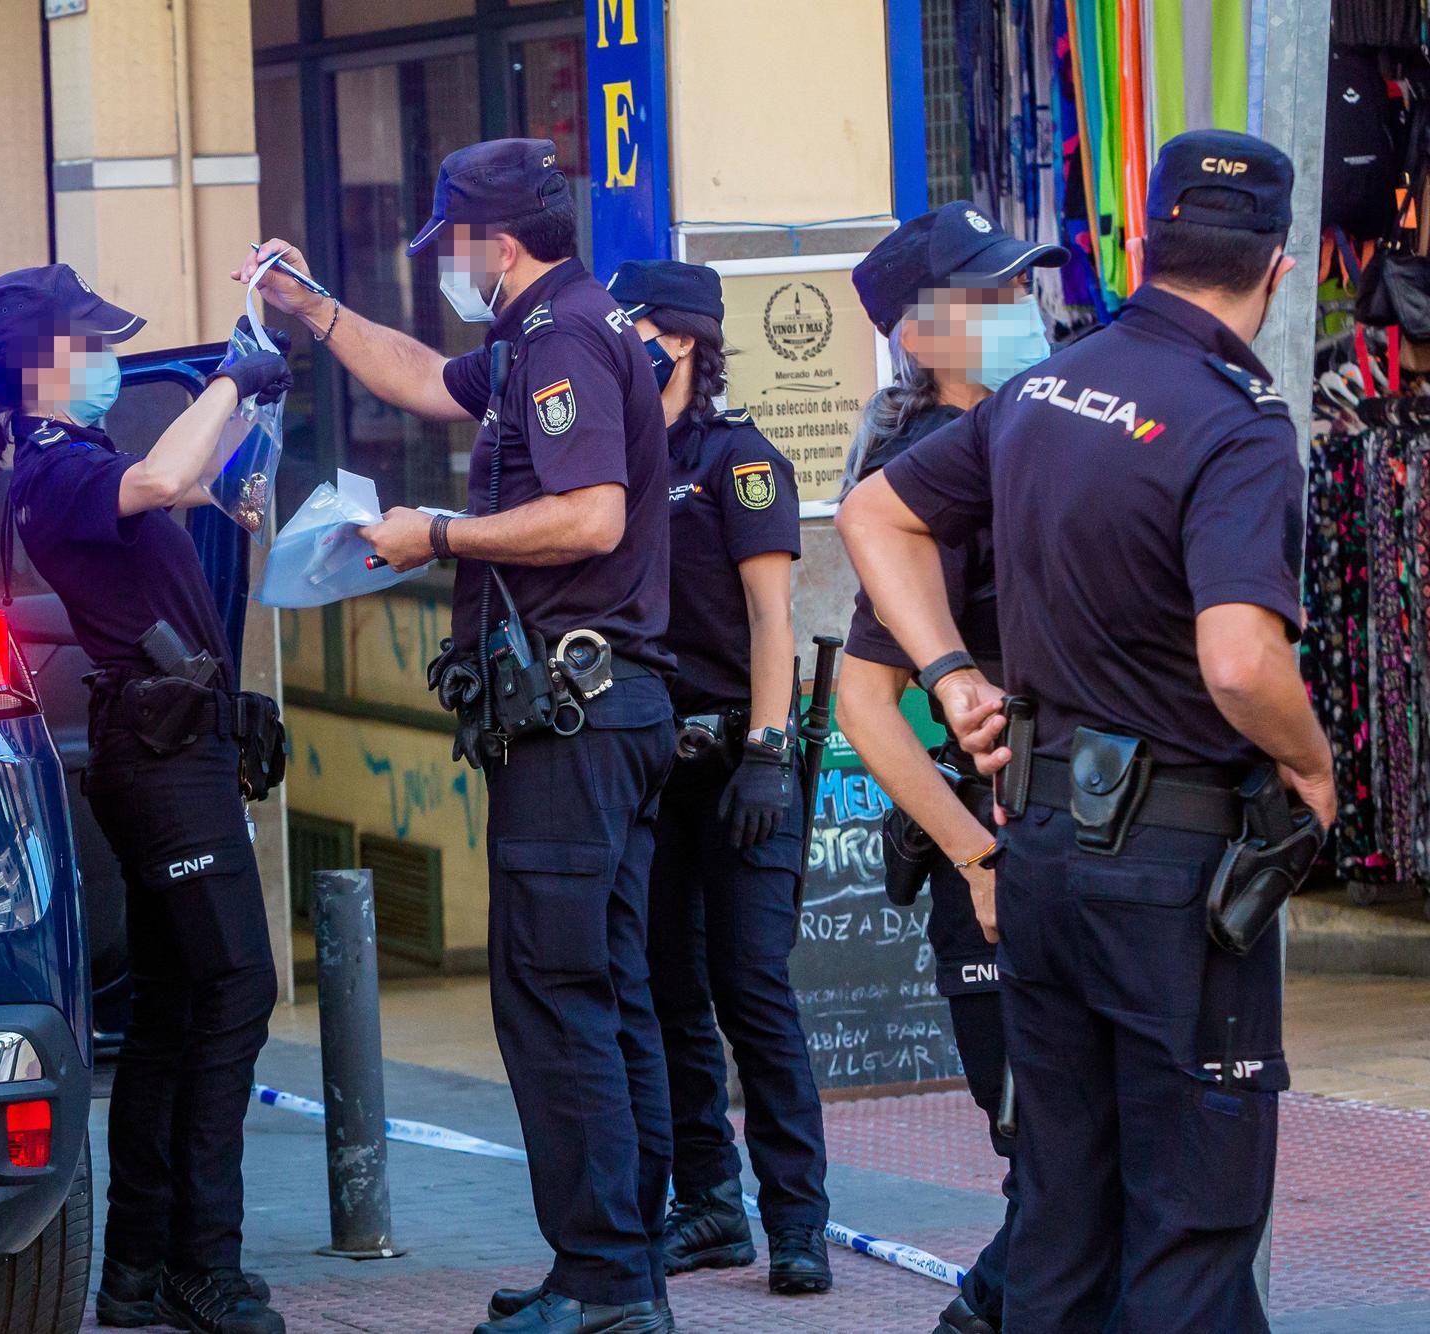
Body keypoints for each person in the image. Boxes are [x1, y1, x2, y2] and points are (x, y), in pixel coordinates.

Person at [836, 131, 1337, 1332]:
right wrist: (1313, 765)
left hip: (1044, 850)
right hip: (1167, 875)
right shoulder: (1236, 424)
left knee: (1061, 1214)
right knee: (1189, 1229)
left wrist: (952, 676)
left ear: (1147, 241)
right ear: (1279, 269)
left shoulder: (1044, 390)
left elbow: (869, 511)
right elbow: (1236, 657)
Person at [240, 138, 677, 1334]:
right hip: (601, 714)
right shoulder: (544, 333)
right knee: (600, 988)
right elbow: (430, 380)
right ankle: (614, 1264)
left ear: (495, 240)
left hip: (576, 720)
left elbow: (590, 516)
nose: (451, 267)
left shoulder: (567, 336)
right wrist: (313, 310)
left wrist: (434, 533)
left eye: (456, 246)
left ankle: (603, 1281)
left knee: (555, 995)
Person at [0, 263, 294, 1334]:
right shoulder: (53, 471)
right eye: (90, 344)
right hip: (158, 762)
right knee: (234, 991)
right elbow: (156, 482)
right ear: (43, 363)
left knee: (172, 1010)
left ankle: (139, 1268)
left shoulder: (84, 458)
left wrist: (247, 398)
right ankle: (204, 1262)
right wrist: (231, 379)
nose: (106, 360)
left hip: (176, 746)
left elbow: (186, 483)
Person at [832, 201, 1065, 1334]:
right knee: (1048, 1170)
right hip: (998, 865)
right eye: (989, 296)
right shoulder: (928, 476)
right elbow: (861, 699)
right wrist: (973, 852)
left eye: (1021, 285)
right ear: (918, 338)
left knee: (1072, 1173)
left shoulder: (1045, 428)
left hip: (1074, 849)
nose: (1021, 309)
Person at [603, 260, 833, 1296]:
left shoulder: (738, 459)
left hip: (741, 760)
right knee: (665, 990)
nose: (617, 339)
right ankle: (707, 1200)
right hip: (651, 764)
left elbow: (770, 618)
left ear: (680, 337)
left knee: (751, 987)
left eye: (633, 324)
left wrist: (767, 753)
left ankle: (796, 1219)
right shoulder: (618, 455)